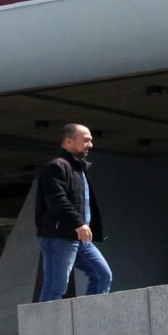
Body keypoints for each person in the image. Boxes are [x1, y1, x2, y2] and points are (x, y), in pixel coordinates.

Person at [35, 123, 112, 302]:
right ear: (68, 142)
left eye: (91, 140)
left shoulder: (79, 169)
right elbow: (57, 200)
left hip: (80, 238)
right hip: (58, 236)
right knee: (56, 286)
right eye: (86, 140)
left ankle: (88, 321)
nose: (90, 145)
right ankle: (45, 329)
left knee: (102, 276)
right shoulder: (56, 167)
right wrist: (79, 223)